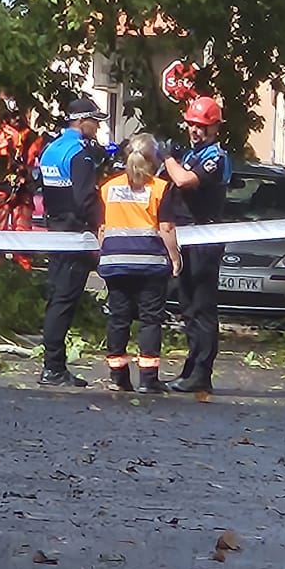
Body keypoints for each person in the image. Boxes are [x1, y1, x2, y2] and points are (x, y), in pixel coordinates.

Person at [98, 134, 181, 395]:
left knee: (118, 318)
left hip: (115, 262)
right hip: (149, 263)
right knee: (150, 319)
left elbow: (102, 227)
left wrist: (106, 254)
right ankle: (148, 379)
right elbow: (166, 228)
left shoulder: (108, 187)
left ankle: (118, 376)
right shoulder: (160, 188)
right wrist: (175, 257)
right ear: (153, 160)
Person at [160, 94, 231, 396]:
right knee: (188, 306)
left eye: (202, 126)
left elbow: (185, 181)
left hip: (204, 239)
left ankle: (202, 372)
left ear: (215, 127)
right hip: (186, 238)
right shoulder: (191, 153)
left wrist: (167, 158)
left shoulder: (215, 157)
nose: (195, 130)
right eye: (191, 124)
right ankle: (192, 367)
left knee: (202, 307)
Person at [36, 96, 106, 387]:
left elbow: (43, 188)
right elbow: (84, 198)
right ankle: (53, 367)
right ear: (82, 121)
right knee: (64, 301)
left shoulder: (51, 149)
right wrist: (100, 223)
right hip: (75, 234)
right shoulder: (79, 153)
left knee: (57, 297)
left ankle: (53, 365)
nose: (98, 127)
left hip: (55, 229)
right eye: (95, 122)